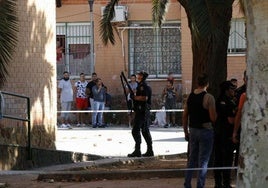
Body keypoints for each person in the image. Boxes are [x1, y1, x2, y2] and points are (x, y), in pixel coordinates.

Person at [183, 73, 217, 188]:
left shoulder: (190, 96)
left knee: (192, 159)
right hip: (205, 130)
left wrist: (185, 131)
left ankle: (187, 184)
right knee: (203, 160)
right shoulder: (209, 97)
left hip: (193, 130)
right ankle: (200, 185)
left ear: (197, 83)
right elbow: (213, 118)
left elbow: (185, 115)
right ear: (207, 84)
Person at [213, 81, 237, 188]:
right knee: (226, 159)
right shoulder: (227, 102)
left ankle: (218, 183)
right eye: (232, 89)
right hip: (225, 134)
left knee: (218, 158)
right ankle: (225, 183)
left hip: (218, 133)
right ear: (227, 90)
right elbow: (231, 120)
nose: (234, 91)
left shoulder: (220, 100)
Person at [128, 71, 154, 157]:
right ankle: (149, 150)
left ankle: (137, 150)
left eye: (139, 75)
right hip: (141, 111)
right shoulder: (141, 85)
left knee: (135, 130)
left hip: (142, 111)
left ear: (142, 77)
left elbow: (144, 98)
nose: (137, 76)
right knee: (145, 131)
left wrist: (134, 97)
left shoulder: (143, 86)